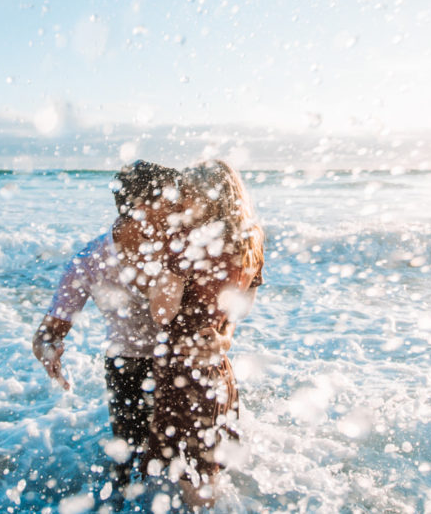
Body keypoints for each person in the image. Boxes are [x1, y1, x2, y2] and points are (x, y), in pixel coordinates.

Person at [31, 160, 181, 490]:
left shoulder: (178, 246)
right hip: (127, 368)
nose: (177, 211)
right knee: (128, 467)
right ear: (143, 208)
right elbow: (46, 334)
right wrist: (48, 351)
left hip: (181, 363)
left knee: (181, 468)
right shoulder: (90, 261)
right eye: (170, 203)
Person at [143, 160, 265, 509]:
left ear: (209, 197)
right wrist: (223, 339)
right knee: (208, 469)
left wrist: (161, 262)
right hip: (217, 368)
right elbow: (242, 306)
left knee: (192, 477)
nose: (181, 202)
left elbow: (161, 312)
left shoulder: (189, 242)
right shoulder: (250, 240)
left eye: (188, 194)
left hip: (183, 371)